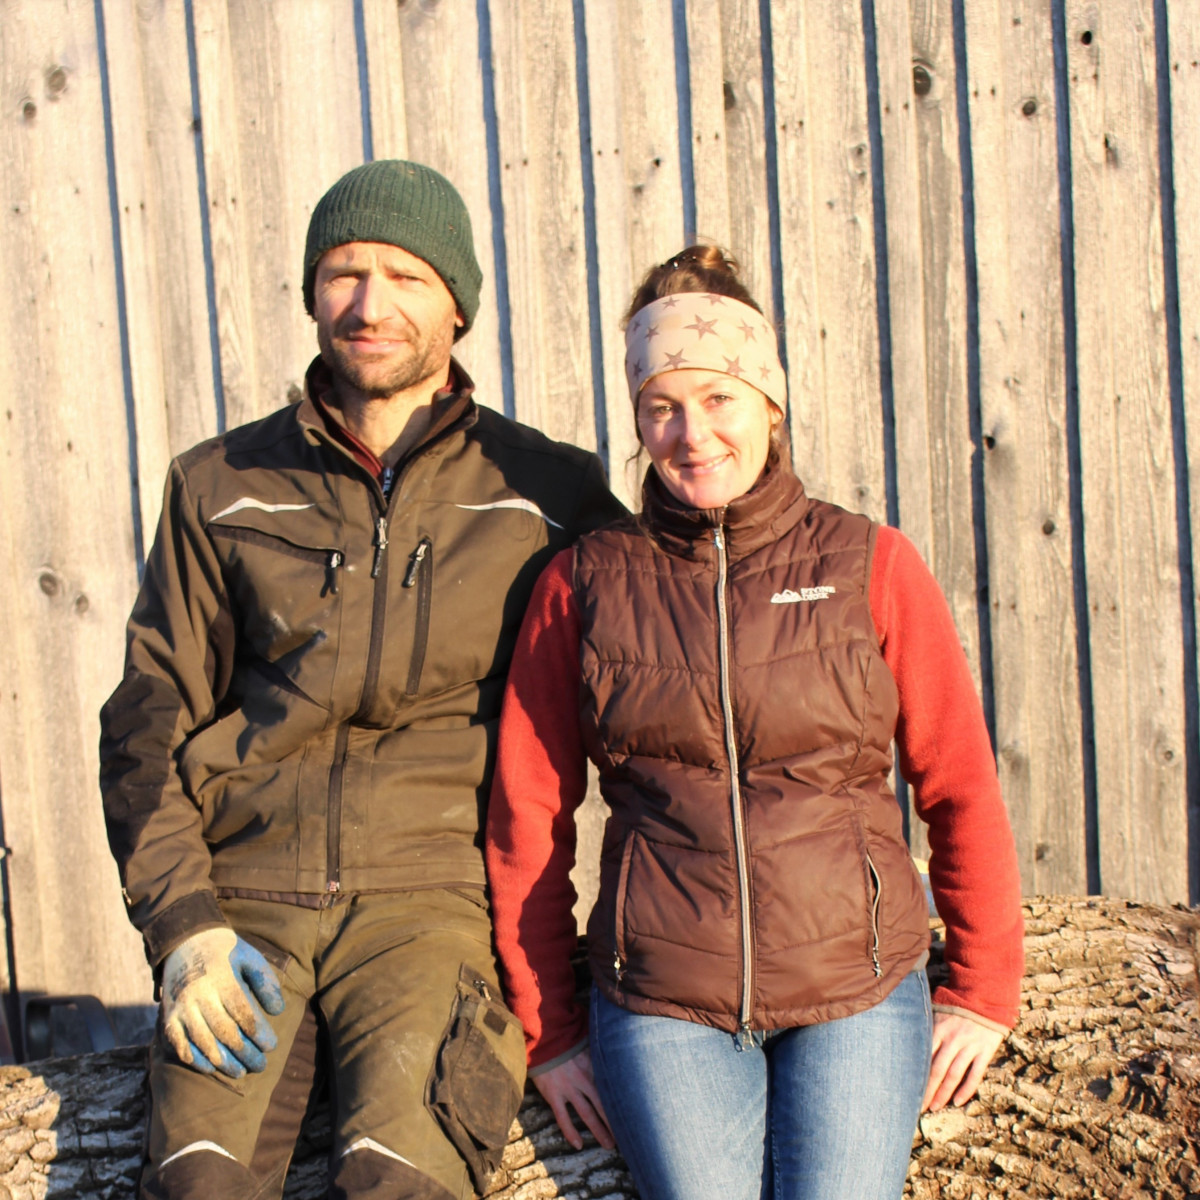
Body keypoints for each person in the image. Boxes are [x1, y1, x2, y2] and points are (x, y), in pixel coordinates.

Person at [98, 159, 624, 1200]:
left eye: (405, 276)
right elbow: (147, 719)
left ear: (459, 307)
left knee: (399, 1184)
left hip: (431, 905)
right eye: (343, 273)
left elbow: (662, 680)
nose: (369, 305)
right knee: (197, 1184)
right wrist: (183, 928)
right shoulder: (222, 486)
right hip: (247, 904)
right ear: (310, 292)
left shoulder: (548, 492)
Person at [486, 246, 1025, 1200]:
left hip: (853, 984)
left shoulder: (870, 564)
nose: (692, 435)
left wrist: (983, 990)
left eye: (720, 400)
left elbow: (959, 783)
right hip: (663, 997)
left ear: (769, 403)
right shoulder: (586, 585)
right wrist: (550, 1031)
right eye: (662, 407)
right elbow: (528, 818)